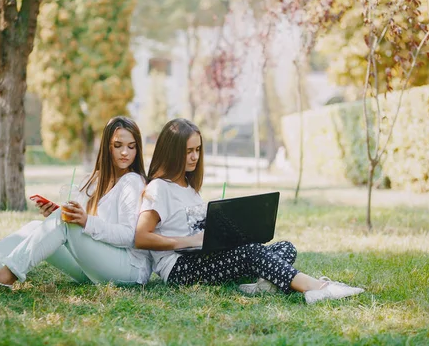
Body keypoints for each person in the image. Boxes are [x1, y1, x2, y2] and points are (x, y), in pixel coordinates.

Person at [134, 118, 364, 304]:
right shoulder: (159, 188)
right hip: (179, 269)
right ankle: (316, 287)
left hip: (202, 257)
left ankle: (264, 285)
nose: (194, 157)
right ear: (172, 152)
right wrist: (186, 241)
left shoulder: (190, 188)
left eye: (197, 150)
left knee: (286, 247)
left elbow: (195, 230)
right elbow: (142, 237)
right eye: (188, 151)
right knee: (251, 253)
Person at [0, 116, 151, 289]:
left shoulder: (132, 182)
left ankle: (6, 275)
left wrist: (84, 222)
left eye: (131, 146)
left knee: (66, 221)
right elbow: (88, 223)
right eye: (118, 145)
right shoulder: (98, 180)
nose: (125, 152)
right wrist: (58, 214)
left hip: (129, 270)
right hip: (97, 267)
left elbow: (130, 236)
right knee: (37, 226)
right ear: (107, 147)